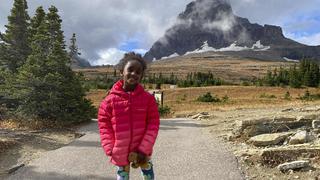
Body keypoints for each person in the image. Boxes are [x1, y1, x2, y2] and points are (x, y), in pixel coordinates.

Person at [98, 52, 160, 180]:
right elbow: (104, 125)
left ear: (141, 76)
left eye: (138, 72)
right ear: (121, 72)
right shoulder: (109, 100)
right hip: (120, 151)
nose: (134, 74)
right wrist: (110, 147)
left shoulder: (148, 99)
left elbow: (153, 124)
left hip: (143, 151)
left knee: (148, 176)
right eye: (130, 70)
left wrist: (144, 148)